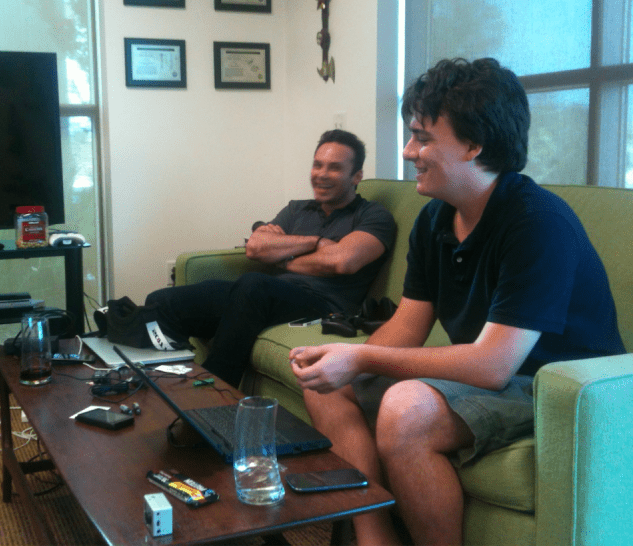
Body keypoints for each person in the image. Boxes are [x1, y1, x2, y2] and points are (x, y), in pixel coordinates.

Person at [290, 58, 626, 546]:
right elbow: (407, 325)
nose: (408, 152)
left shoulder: (537, 222)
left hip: (555, 388)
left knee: (407, 409)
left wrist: (361, 355)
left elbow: (493, 366)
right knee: (326, 382)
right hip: (499, 375)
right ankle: (374, 535)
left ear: (474, 145)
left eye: (423, 138)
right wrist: (341, 362)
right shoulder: (434, 221)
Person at [145, 129, 396, 387]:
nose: (321, 174)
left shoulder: (374, 216)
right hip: (266, 295)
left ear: (357, 176)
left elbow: (343, 261)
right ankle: (169, 385)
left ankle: (215, 393)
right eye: (317, 165)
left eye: (334, 168)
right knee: (160, 303)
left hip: (324, 305)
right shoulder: (296, 209)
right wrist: (315, 242)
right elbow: (256, 247)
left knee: (254, 284)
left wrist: (283, 256)